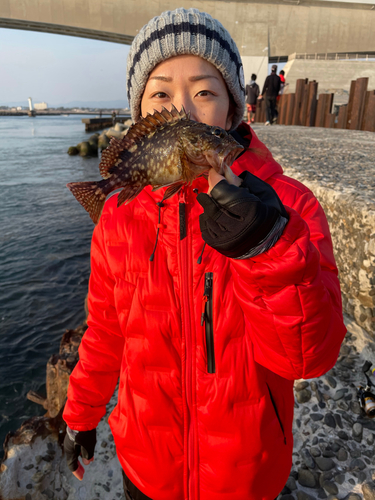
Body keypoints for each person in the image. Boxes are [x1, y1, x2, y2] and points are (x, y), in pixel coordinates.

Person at [63, 8, 346, 500]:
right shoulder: (117, 218)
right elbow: (105, 331)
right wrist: (81, 415)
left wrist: (265, 245)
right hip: (147, 467)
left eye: (204, 92)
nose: (186, 112)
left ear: (234, 111)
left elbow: (311, 356)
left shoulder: (287, 209)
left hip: (246, 474)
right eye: (161, 95)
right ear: (139, 117)